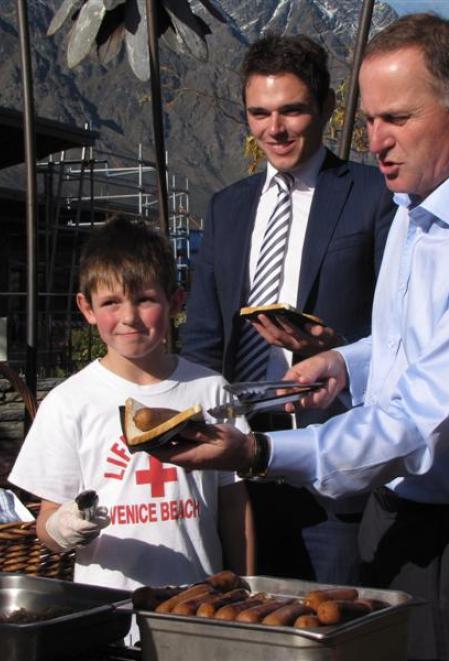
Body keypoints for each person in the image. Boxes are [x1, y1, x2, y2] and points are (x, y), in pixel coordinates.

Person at [153, 13, 449, 661]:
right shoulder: (412, 210)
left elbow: (423, 416)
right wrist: (345, 363)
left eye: (396, 118)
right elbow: (403, 346)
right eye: (370, 123)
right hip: (384, 513)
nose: (376, 142)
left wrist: (258, 451)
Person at [181, 33, 395, 582]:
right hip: (238, 462)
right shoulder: (228, 208)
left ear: (325, 108)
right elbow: (204, 340)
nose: (274, 129)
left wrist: (336, 349)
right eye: (259, 112)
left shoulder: (375, 196)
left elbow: (401, 329)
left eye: (292, 110)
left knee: (333, 625)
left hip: (334, 464)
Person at [9, 217, 255, 643]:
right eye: (111, 303)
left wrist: (248, 590)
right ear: (86, 308)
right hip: (107, 617)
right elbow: (45, 525)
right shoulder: (70, 402)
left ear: (176, 301)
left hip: (202, 610)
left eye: (144, 300)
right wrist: (63, 526)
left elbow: (235, 506)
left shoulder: (210, 390)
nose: (129, 318)